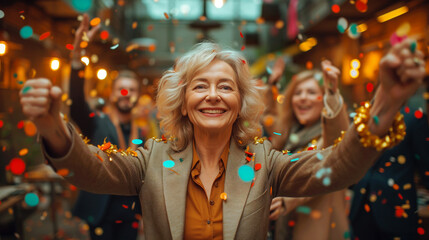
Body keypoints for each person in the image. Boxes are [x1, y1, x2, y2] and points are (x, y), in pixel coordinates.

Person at [20, 40, 424, 240]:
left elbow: (334, 168)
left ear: (241, 102)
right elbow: (90, 169)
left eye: (225, 87)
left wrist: (385, 105)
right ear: (182, 102)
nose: (213, 95)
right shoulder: (150, 159)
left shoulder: (265, 160)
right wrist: (53, 126)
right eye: (200, 86)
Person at [68, 14, 142, 240]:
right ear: (111, 94)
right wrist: (78, 57)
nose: (126, 94)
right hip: (101, 213)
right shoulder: (97, 121)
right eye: (121, 89)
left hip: (131, 214)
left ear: (138, 96)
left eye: (132, 89)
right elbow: (77, 104)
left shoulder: (146, 130)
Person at [264, 61, 350, 240]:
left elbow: (317, 171)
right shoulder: (289, 132)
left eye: (312, 92)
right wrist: (272, 85)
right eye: (298, 93)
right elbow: (270, 115)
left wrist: (332, 92)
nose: (303, 98)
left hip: (318, 227)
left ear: (324, 100)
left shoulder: (328, 138)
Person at [349, 77, 429, 240]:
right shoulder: (364, 117)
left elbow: (425, 165)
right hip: (361, 205)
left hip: (396, 207)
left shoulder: (414, 118)